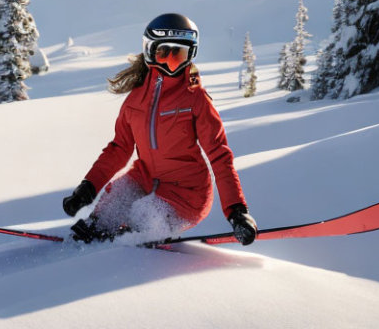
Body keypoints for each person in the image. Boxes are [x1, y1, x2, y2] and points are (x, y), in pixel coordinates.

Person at [62, 13, 258, 245]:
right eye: (164, 54)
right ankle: (94, 237)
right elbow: (119, 148)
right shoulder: (136, 99)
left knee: (143, 215)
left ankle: (129, 242)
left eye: (180, 55)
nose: (170, 64)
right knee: (111, 204)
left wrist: (236, 210)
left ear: (190, 56)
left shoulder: (195, 99)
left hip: (187, 194)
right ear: (150, 52)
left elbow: (219, 155)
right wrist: (89, 187)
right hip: (145, 178)